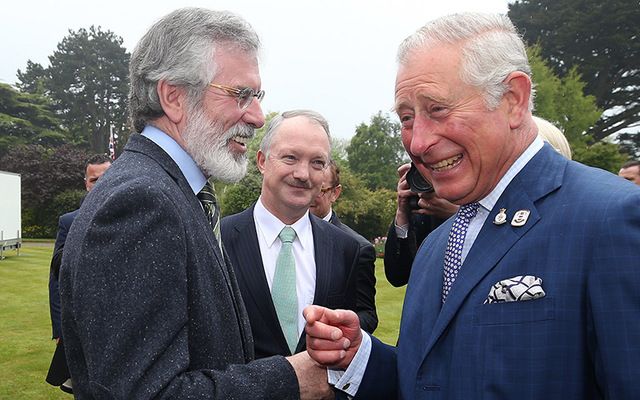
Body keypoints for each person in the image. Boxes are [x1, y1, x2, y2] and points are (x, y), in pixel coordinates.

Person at [304, 12, 640, 400]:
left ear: (513, 99)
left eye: (437, 109)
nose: (417, 143)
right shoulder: (436, 246)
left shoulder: (611, 219)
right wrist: (359, 356)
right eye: (407, 117)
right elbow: (435, 378)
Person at [59, 9, 331, 400]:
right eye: (241, 95)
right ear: (174, 96)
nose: (256, 117)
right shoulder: (143, 202)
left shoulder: (174, 192)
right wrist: (291, 378)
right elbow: (147, 393)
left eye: (258, 97)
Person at [221, 110, 371, 361]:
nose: (303, 174)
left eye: (317, 163)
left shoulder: (346, 249)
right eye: (291, 158)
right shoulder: (218, 240)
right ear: (262, 161)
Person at [384, 116, 570, 287]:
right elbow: (398, 275)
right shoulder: (430, 205)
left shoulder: (564, 219)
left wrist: (463, 216)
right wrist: (402, 216)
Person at [46, 154, 111, 394]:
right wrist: (61, 329)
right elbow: (57, 281)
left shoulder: (134, 213)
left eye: (106, 177)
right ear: (86, 183)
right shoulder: (69, 221)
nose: (101, 184)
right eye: (94, 180)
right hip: (80, 324)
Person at [309, 159, 378, 332]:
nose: (309, 195)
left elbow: (367, 315)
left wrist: (333, 328)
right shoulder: (280, 234)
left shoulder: (357, 248)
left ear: (335, 193)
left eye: (319, 190)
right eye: (306, 187)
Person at [383, 163, 458, 287]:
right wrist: (402, 214)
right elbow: (397, 276)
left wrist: (459, 214)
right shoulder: (422, 211)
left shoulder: (477, 201)